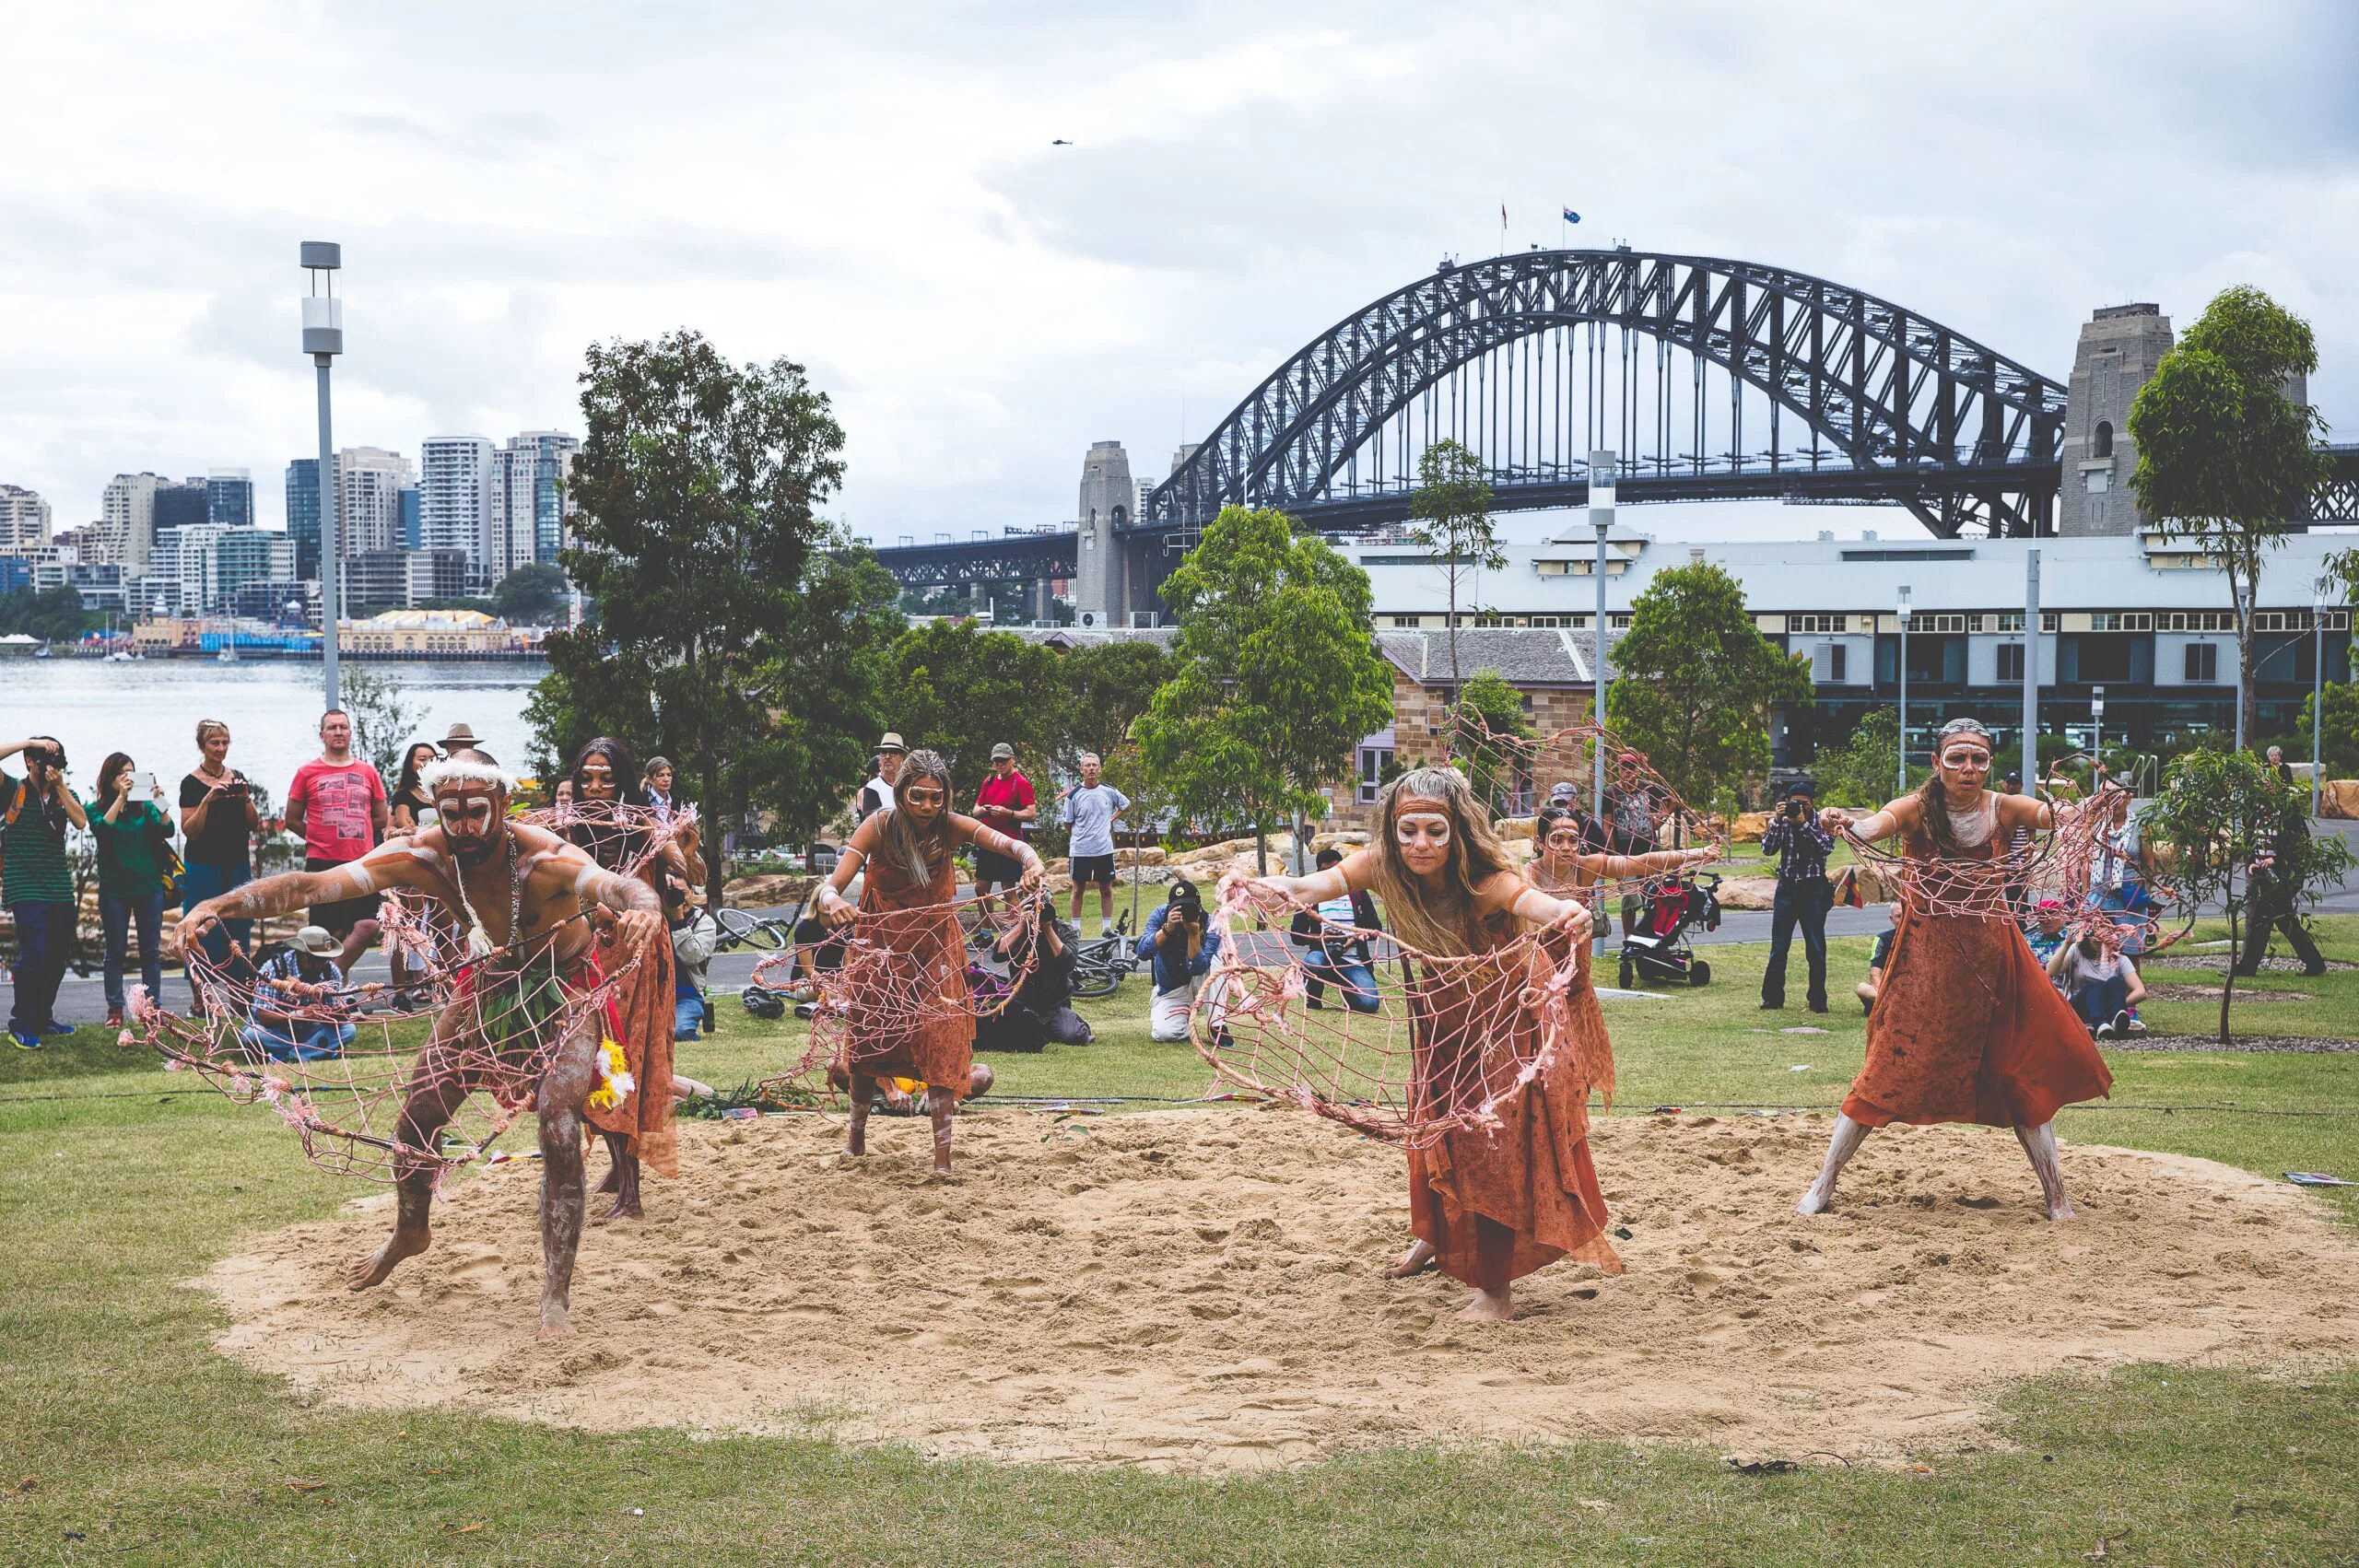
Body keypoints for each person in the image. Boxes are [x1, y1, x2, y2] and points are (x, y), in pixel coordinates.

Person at [177, 746, 664, 1339]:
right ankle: (412, 1228)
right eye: (450, 813)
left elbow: (617, 887)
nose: (462, 828)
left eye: (476, 812)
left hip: (566, 987)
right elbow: (319, 883)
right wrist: (217, 904)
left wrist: (644, 909)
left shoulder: (544, 858)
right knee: (418, 1116)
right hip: (485, 986)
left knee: (558, 1121)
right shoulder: (424, 856)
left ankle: (555, 1293)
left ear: (502, 804)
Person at [1243, 766, 1602, 1322]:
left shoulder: (1483, 882)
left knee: (1490, 1144)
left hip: (1500, 1029)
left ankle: (1495, 1292)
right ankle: (1436, 1233)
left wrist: (1566, 911)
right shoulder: (1383, 866)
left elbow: (1534, 903)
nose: (1420, 844)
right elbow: (1313, 887)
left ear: (1457, 832)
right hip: (1439, 1022)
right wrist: (1268, 889)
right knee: (1432, 1124)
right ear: (1391, 828)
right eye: (1408, 830)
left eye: (1435, 831)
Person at [1797, 717, 2113, 1222]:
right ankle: (1823, 1183)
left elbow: (2046, 815)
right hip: (1926, 963)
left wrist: (2078, 812)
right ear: (1937, 763)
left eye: (1979, 759)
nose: (1969, 769)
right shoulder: (1919, 810)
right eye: (1957, 759)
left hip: (1996, 962)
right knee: (1885, 1071)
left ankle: (2057, 1197)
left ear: (1989, 763)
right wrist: (1848, 825)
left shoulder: (2003, 808)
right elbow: (1877, 823)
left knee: (2018, 1071)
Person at [813, 747, 1042, 1175]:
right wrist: (830, 898)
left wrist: (1032, 861)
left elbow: (1008, 844)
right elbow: (835, 881)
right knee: (867, 1042)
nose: (927, 806)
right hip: (880, 948)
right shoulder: (878, 826)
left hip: (935, 951)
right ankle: (856, 1141)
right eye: (918, 796)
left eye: (936, 798)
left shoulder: (951, 828)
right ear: (901, 793)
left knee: (941, 1041)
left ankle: (942, 1162)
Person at [559, 737, 674, 1223]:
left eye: (607, 778)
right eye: (587, 778)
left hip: (636, 959)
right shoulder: (568, 832)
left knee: (620, 1063)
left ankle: (631, 1195)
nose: (595, 787)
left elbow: (677, 877)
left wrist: (674, 846)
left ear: (624, 781)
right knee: (591, 1065)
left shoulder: (645, 827)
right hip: (591, 956)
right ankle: (616, 1171)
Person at [1526, 803, 1714, 956]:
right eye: (1557, 840)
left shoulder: (1584, 867)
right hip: (1534, 956)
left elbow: (1640, 863)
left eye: (1572, 840)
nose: (1566, 847)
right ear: (1540, 843)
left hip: (1573, 958)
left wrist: (1697, 853)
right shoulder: (1527, 875)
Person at [283, 709, 389, 973]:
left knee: (368, 925)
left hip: (361, 862)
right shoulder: (307, 772)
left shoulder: (368, 772)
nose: (338, 732)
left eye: (343, 727)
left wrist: (356, 831)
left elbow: (380, 817)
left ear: (350, 733)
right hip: (322, 864)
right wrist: (320, 837)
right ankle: (328, 990)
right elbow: (292, 819)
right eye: (332, 728)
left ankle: (331, 979)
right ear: (322, 735)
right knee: (328, 934)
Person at [2, 737, 87, 1050]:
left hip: (59, 887)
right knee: (35, 953)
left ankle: (42, 1018)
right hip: (24, 885)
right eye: (45, 758)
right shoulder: (12, 789)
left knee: (55, 958)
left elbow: (80, 821)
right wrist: (30, 741)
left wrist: (61, 788)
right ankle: (21, 1023)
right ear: (30, 762)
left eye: (58, 759)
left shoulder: (65, 794)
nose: (53, 765)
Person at [180, 720, 261, 1012]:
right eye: (215, 743)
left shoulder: (236, 777)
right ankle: (201, 998)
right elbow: (190, 829)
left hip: (236, 864)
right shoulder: (190, 784)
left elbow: (255, 824)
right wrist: (209, 799)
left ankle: (240, 996)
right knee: (201, 927)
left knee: (239, 927)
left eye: (225, 742)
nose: (221, 748)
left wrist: (245, 798)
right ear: (203, 746)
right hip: (203, 865)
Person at [87, 751, 170, 1027]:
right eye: (122, 773)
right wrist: (121, 798)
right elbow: (102, 830)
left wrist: (160, 801)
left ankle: (152, 1008)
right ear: (110, 778)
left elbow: (168, 830)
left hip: (148, 887)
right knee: (116, 951)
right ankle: (115, 1010)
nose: (128, 777)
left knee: (150, 952)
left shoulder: (145, 807)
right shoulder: (96, 808)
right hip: (114, 890)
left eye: (131, 772)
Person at [974, 892, 1094, 1050]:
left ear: (1052, 903)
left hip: (1054, 1004)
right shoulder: (1015, 928)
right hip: (1021, 1002)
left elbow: (1068, 963)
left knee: (1072, 1035)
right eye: (1032, 907)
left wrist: (1048, 929)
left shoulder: (1065, 930)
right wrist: (1022, 926)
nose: (1037, 912)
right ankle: (1040, 1030)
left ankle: (1071, 1022)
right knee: (1000, 1033)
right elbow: (997, 954)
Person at [1759, 778, 1836, 1012]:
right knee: (1779, 946)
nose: (1799, 808)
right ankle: (1772, 998)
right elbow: (1767, 849)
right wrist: (1777, 820)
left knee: (1815, 947)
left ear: (1812, 803)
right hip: (1787, 888)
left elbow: (1824, 849)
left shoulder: (1823, 822)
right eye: (1794, 803)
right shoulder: (1782, 822)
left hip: (1813, 889)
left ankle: (1817, 1000)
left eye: (1804, 803)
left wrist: (1802, 824)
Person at [240, 925, 359, 1062]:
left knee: (349, 1030)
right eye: (316, 960)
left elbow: (338, 1016)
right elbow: (263, 1016)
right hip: (276, 1032)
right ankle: (313, 1052)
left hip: (309, 1032)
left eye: (324, 959)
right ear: (301, 955)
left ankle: (292, 1057)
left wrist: (332, 1014)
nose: (320, 965)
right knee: (252, 1034)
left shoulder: (331, 971)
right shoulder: (274, 968)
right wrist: (298, 1015)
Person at [1288, 847, 1385, 1012]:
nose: (1332, 875)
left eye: (1336, 870)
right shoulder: (1311, 896)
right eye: (1327, 871)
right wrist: (1321, 938)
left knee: (1369, 1005)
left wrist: (1354, 938)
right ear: (1318, 872)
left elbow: (1375, 929)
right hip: (1323, 956)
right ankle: (1313, 998)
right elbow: (1296, 936)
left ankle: (1349, 990)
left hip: (1354, 960)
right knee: (1312, 963)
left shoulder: (1358, 892)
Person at [1137, 878, 1223, 1042]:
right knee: (1163, 1034)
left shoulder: (1211, 924)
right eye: (1178, 907)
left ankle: (1217, 1025)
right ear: (1170, 907)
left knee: (1216, 965)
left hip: (1200, 981)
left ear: (1199, 907)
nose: (1183, 913)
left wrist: (1194, 934)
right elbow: (1142, 952)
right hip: (1172, 987)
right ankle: (1184, 1020)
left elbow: (1199, 968)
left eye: (1188, 907)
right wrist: (1167, 929)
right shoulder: (1160, 915)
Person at [1059, 752, 1131, 933]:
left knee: (1106, 888)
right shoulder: (1074, 795)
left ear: (1099, 769)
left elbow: (1125, 804)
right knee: (1078, 890)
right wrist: (1078, 835)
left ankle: (1106, 927)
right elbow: (1067, 822)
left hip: (1103, 849)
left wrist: (1110, 820)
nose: (1091, 768)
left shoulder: (1108, 791)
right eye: (1088, 766)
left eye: (1094, 765)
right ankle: (1076, 928)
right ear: (1082, 770)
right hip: (1081, 850)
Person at [1602, 751, 1672, 936]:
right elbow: (1607, 825)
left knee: (1654, 896)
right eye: (1624, 767)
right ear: (1618, 769)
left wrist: (1661, 818)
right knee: (1629, 899)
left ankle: (1652, 936)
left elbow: (1673, 799)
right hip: (1626, 854)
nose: (1628, 771)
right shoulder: (1611, 792)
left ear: (1637, 769)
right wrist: (1613, 855)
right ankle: (1629, 940)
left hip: (1649, 850)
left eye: (1632, 767)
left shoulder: (1647, 787)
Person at [2237, 844, 2328, 977]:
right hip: (2264, 876)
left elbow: (2301, 848)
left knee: (2266, 920)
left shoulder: (2289, 822)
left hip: (2282, 879)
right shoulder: (2257, 822)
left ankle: (2247, 968)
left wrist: (2276, 861)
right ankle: (2316, 964)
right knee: (2284, 921)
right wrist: (2254, 863)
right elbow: (2256, 843)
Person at [970, 742, 1037, 919]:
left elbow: (1031, 813)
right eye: (996, 761)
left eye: (1003, 761)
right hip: (988, 841)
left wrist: (1010, 813)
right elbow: (975, 810)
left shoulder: (1021, 783)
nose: (999, 765)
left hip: (1009, 842)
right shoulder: (989, 781)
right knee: (981, 888)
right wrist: (984, 810)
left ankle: (1015, 931)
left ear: (1012, 760)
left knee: (1009, 889)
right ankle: (985, 932)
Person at [2045, 925, 2148, 1037]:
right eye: (2095, 937)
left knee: (2115, 981)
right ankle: (2101, 1024)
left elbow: (2140, 992)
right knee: (2095, 985)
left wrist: (2117, 1003)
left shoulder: (2120, 959)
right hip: (2079, 1008)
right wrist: (2066, 944)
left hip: (2107, 1010)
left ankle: (2114, 1021)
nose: (2099, 942)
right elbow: (2051, 972)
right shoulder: (2076, 951)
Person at [1856, 903, 1902, 1013]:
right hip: (1887, 990)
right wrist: (1885, 994)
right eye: (1899, 916)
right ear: (1891, 919)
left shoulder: (1921, 938)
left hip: (1912, 990)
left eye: (1905, 916)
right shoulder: (1882, 939)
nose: (1902, 920)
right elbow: (1874, 975)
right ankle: (1893, 1006)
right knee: (1862, 988)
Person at [387, 743, 441, 836]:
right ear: (410, 764)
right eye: (422, 759)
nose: (428, 762)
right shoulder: (403, 796)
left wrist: (418, 828)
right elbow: (407, 829)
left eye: (433, 759)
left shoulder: (445, 792)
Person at [856, 733, 906, 824]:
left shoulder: (908, 786)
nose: (887, 756)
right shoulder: (873, 788)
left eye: (893, 752)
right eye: (883, 752)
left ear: (901, 756)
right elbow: (874, 825)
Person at [2024, 899, 2071, 976]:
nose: (2046, 921)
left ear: (2062, 916)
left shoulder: (2072, 939)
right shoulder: (2029, 941)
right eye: (2041, 917)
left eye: (2050, 916)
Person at [642, 756, 678, 823]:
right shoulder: (643, 801)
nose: (666, 779)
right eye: (660, 775)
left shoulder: (677, 801)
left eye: (669, 775)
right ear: (650, 779)